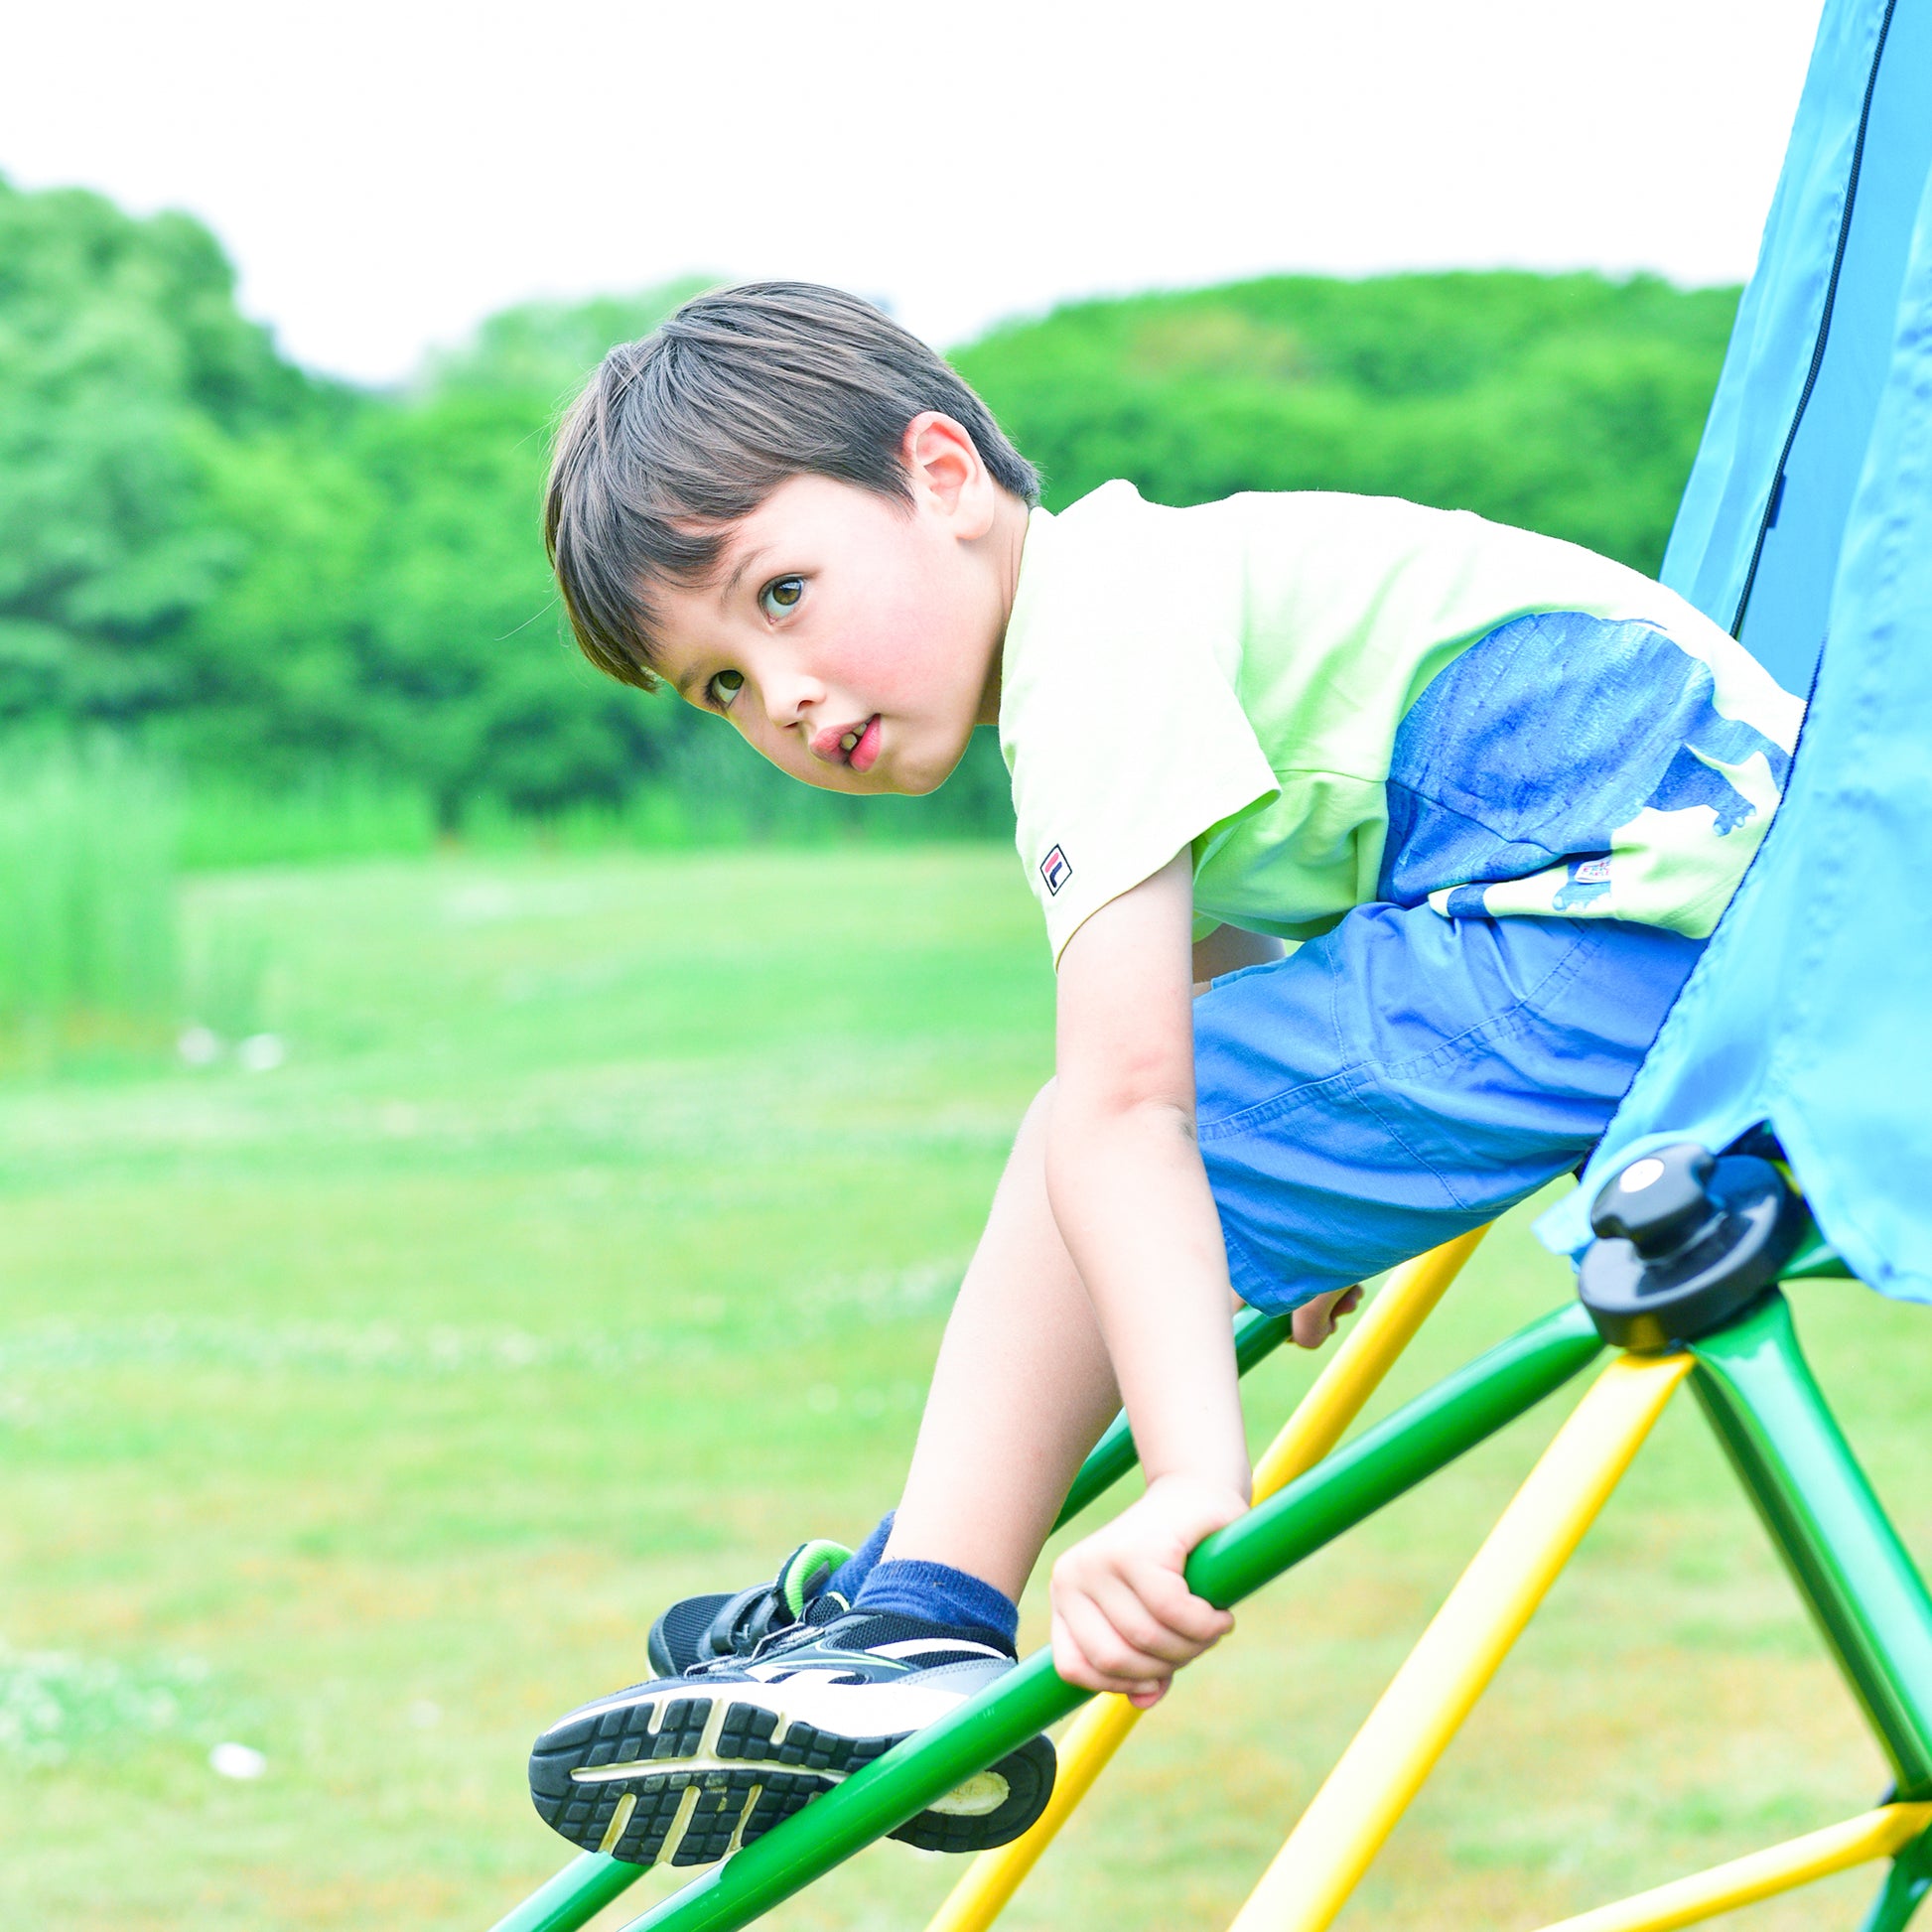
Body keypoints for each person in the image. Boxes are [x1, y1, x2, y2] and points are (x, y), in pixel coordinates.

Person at [523, 282, 1805, 1869]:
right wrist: (1338, 1187)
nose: (773, 697)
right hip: (1670, 903)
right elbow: (1231, 971)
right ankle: (881, 1611)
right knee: (1112, 1151)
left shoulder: (1096, 642)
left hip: (1642, 917)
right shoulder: (1150, 592)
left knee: (1086, 1134)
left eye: (778, 595)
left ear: (939, 476)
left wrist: (1198, 1471)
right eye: (717, 683)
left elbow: (1135, 1110)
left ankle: (910, 1621)